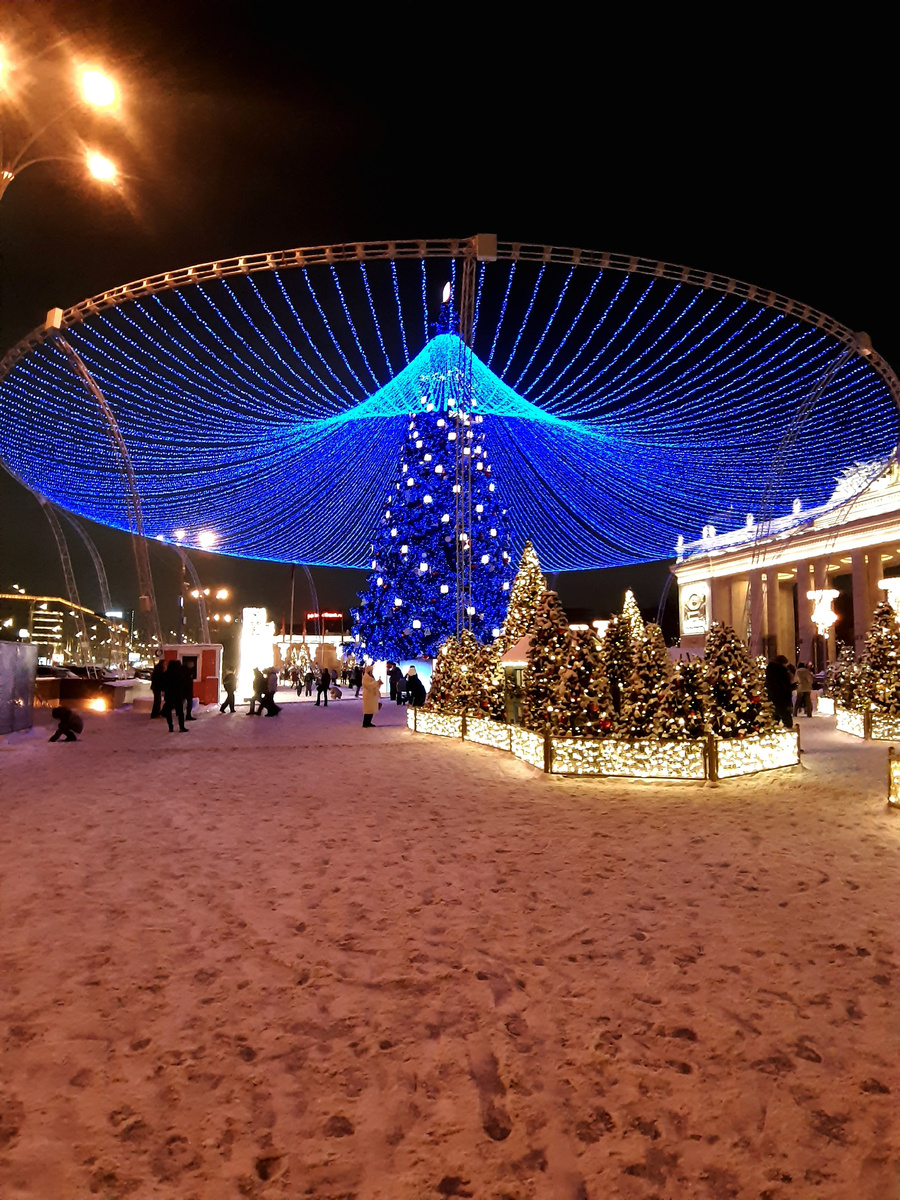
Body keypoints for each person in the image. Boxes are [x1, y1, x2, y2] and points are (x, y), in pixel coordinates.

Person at [765, 654, 794, 728]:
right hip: (782, 696)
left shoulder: (770, 671)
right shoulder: (781, 671)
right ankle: (788, 729)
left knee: (775, 715)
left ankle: (774, 728)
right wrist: (791, 687)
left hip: (773, 695)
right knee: (785, 715)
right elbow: (784, 685)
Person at [162, 658, 187, 732]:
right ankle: (181, 727)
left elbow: (163, 685)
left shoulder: (166, 674)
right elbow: (183, 683)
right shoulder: (179, 674)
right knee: (180, 712)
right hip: (177, 695)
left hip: (169, 695)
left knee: (168, 712)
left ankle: (170, 727)